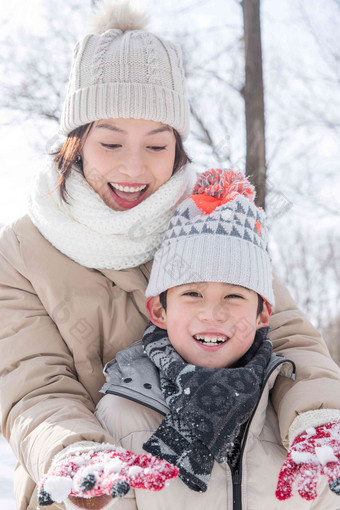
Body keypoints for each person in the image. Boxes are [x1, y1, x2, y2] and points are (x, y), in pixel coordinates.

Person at [0, 1, 340, 509]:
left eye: (157, 147)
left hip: (244, 479)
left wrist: (318, 418)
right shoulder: (22, 251)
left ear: (177, 147)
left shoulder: (214, 219)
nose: (134, 169)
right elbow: (33, 385)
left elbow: (288, 338)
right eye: (111, 143)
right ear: (75, 142)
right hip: (100, 489)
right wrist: (74, 451)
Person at [94, 169, 340, 509]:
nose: (213, 313)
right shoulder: (124, 413)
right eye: (193, 293)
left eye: (234, 296)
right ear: (159, 311)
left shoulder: (296, 419)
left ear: (263, 315)